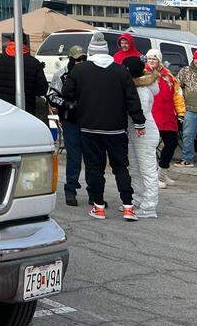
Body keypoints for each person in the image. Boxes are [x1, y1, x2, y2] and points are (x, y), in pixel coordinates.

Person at [62, 31, 146, 221]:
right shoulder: (121, 70)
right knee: (121, 167)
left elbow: (67, 93)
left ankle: (98, 207)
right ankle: (128, 207)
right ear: (107, 51)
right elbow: (132, 99)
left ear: (90, 51)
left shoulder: (80, 70)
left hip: (89, 126)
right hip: (116, 128)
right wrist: (139, 122)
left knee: (94, 168)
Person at [48, 44, 86, 206]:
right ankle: (70, 190)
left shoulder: (90, 72)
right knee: (74, 156)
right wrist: (66, 104)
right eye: (77, 59)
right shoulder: (61, 74)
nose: (80, 61)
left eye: (83, 58)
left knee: (92, 157)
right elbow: (51, 95)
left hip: (89, 119)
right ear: (71, 59)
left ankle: (95, 192)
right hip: (70, 120)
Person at [123, 56, 160, 218]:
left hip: (144, 133)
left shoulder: (142, 90)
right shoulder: (134, 87)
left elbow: (141, 113)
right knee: (135, 169)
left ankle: (149, 206)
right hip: (134, 132)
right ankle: (137, 199)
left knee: (147, 170)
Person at [144, 50, 184, 188]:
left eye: (154, 59)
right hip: (151, 116)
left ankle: (162, 173)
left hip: (168, 116)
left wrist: (181, 113)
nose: (151, 61)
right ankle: (152, 177)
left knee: (172, 143)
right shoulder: (144, 74)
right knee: (151, 147)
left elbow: (177, 95)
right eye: (149, 59)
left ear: (159, 60)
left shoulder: (169, 75)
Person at [0, 32, 48, 119]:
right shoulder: (34, 63)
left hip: (1, 108)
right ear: (26, 43)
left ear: (10, 41)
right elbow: (42, 90)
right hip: (26, 111)